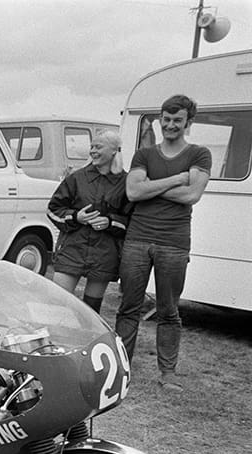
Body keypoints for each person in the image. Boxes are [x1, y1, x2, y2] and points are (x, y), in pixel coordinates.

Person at [115, 94, 211, 392]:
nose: (170, 125)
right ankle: (120, 369)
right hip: (137, 239)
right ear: (160, 120)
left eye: (177, 120)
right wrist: (175, 180)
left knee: (168, 310)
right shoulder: (144, 154)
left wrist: (150, 187)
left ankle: (167, 373)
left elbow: (192, 195)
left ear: (188, 122)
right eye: (166, 119)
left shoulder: (199, 154)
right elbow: (133, 193)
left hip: (174, 242)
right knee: (128, 306)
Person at [46, 129, 131, 313]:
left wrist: (110, 222)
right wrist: (76, 217)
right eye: (92, 147)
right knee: (57, 304)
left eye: (98, 147)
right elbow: (53, 209)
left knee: (91, 310)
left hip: (104, 255)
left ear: (114, 151)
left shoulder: (125, 182)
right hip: (72, 250)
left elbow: (131, 221)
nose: (92, 151)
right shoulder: (77, 178)